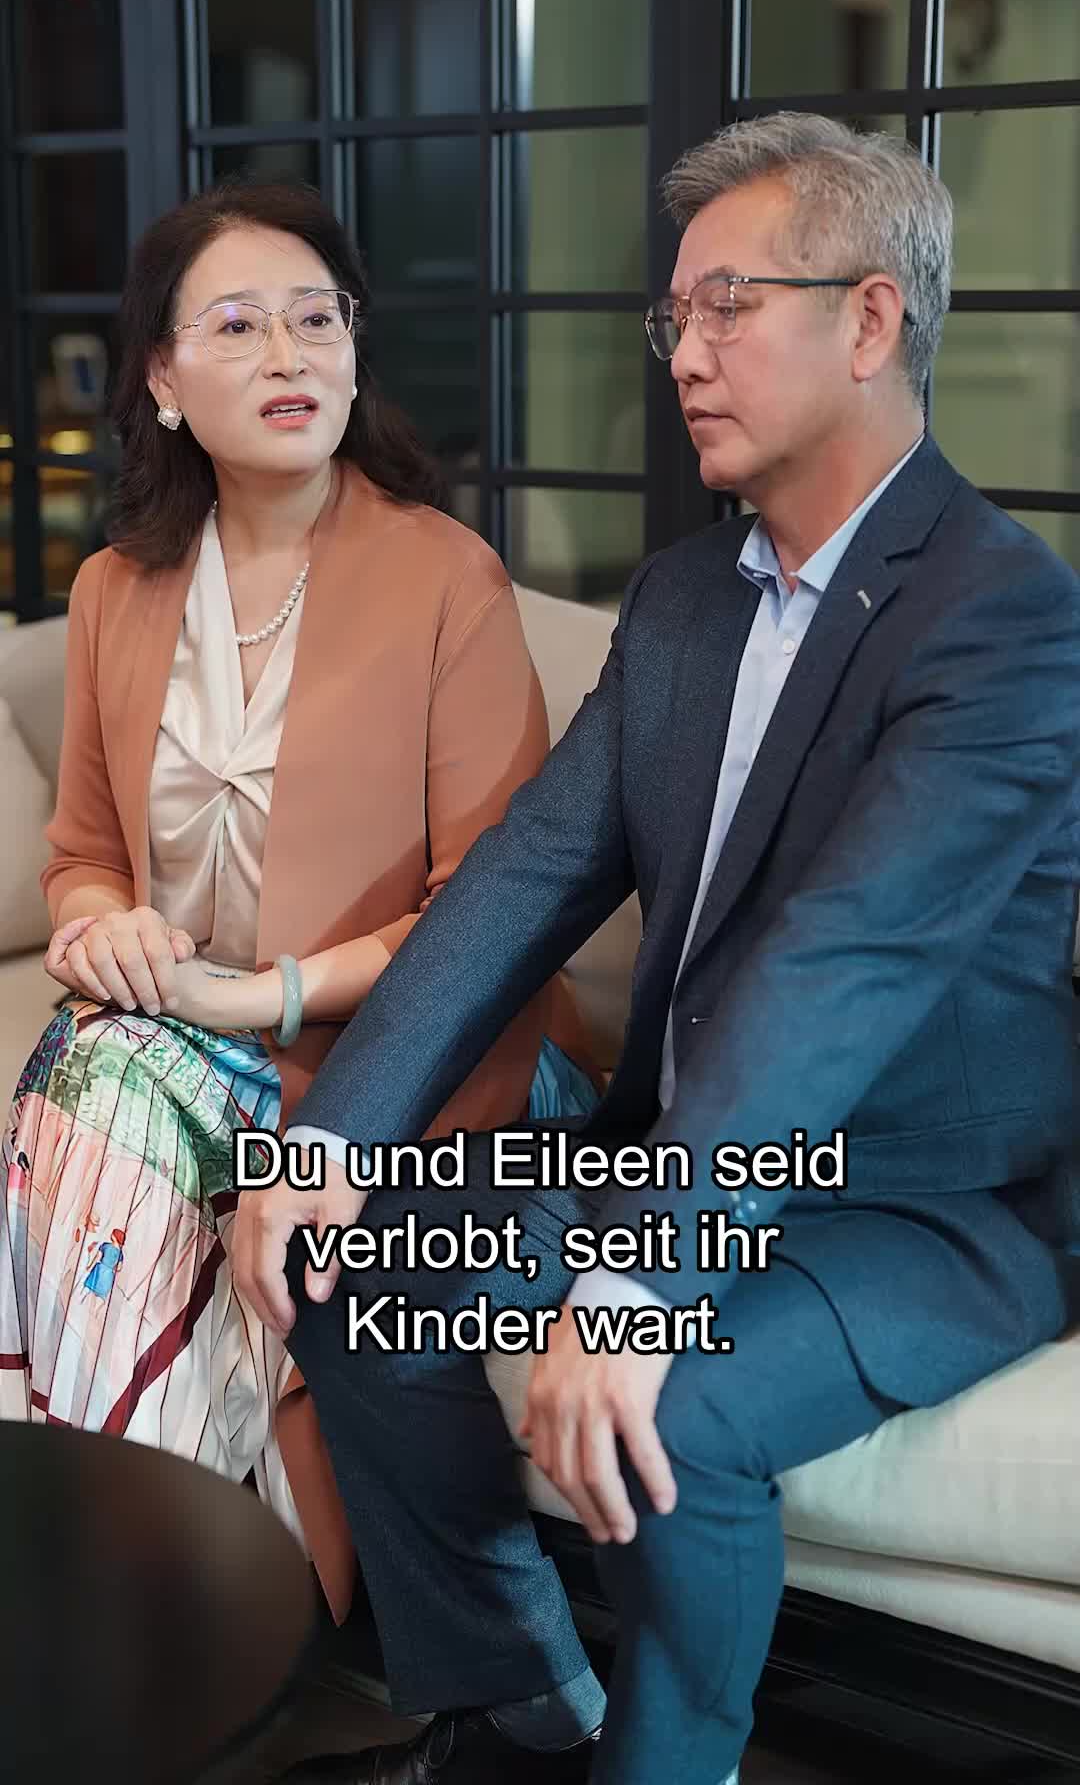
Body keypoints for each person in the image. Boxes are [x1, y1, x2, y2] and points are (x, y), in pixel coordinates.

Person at [234, 116, 1080, 1785]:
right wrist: (334, 1141)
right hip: (675, 1154)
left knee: (675, 1408)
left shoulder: (1005, 618)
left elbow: (844, 964)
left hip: (918, 1203)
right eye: (673, 317)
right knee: (353, 1270)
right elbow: (526, 875)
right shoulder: (689, 601)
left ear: (869, 320)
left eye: (727, 309)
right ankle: (516, 1709)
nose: (683, 355)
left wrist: (638, 1282)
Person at [0, 178, 599, 1623]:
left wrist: (261, 993)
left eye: (316, 319)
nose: (289, 354)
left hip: (417, 1059)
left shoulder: (444, 577)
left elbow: (494, 916)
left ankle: (139, 1605)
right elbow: (82, 849)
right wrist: (107, 924)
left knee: (94, 1078)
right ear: (160, 377)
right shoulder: (116, 590)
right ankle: (159, 1600)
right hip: (186, 1045)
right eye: (238, 324)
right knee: (100, 1062)